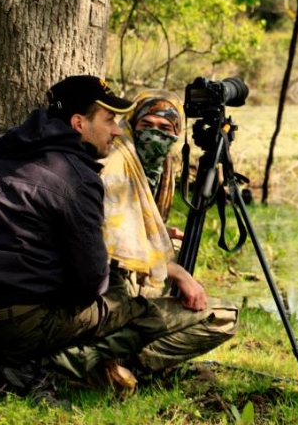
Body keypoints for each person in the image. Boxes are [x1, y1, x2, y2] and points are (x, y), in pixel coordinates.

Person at [0, 75, 137, 403]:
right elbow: (91, 282)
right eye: (109, 120)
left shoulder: (3, 146)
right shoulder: (78, 177)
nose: (116, 130)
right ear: (79, 123)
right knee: (130, 304)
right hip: (20, 322)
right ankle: (35, 364)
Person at [51, 90, 238, 388]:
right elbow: (109, 236)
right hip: (102, 279)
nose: (154, 134)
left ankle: (122, 363)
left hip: (115, 277)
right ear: (132, 124)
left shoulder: (160, 166)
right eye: (146, 125)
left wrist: (159, 232)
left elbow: (136, 217)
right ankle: (95, 360)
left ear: (177, 133)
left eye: (165, 129)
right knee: (224, 317)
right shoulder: (116, 162)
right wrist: (178, 273)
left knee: (173, 249)